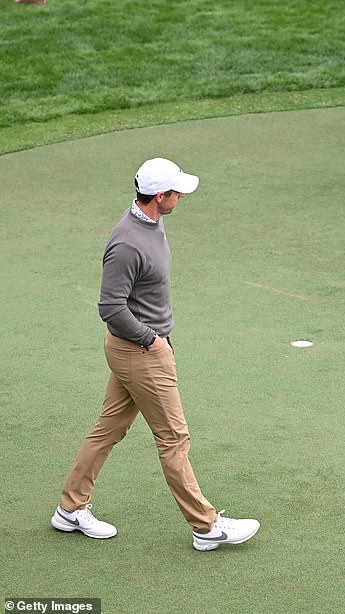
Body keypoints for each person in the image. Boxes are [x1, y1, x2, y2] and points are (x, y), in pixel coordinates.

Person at [51, 158, 260, 551]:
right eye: (175, 192)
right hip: (140, 353)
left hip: (137, 350)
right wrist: (152, 340)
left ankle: (69, 509)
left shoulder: (150, 220)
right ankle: (206, 526)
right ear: (158, 196)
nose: (181, 196)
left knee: (108, 428)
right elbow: (110, 308)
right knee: (173, 437)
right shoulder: (127, 243)